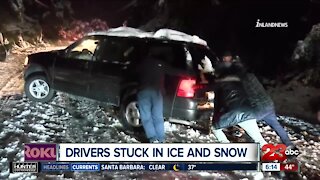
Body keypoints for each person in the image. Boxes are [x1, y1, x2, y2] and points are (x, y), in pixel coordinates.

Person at [209, 51, 267, 146]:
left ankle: (226, 146)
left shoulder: (219, 85)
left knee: (215, 128)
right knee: (259, 139)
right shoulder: (239, 81)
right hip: (248, 111)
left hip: (233, 113)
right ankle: (273, 155)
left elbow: (218, 105)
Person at [137, 46, 186, 143]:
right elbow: (175, 71)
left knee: (146, 116)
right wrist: (192, 73)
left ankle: (152, 138)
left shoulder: (142, 62)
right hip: (157, 92)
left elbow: (133, 72)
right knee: (158, 116)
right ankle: (161, 139)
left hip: (144, 91)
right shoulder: (161, 64)